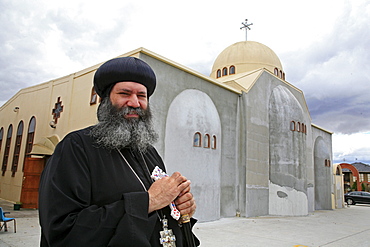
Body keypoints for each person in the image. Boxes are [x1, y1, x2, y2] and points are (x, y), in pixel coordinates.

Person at [39, 57, 199, 247]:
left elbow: (159, 214)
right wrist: (148, 201)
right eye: (125, 93)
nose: (135, 102)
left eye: (141, 96)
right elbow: (62, 229)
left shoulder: (149, 152)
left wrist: (178, 209)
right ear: (105, 99)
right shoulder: (76, 147)